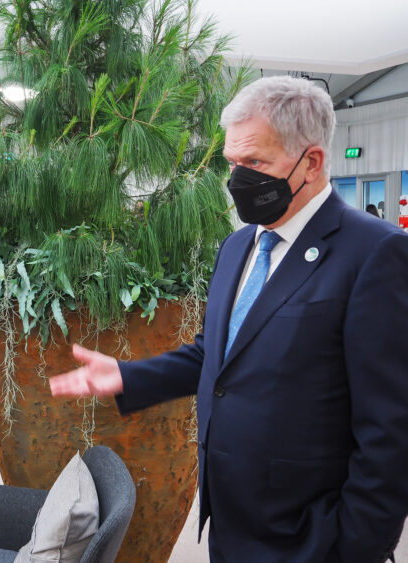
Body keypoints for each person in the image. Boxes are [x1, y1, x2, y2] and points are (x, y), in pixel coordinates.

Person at [50, 76, 408, 562]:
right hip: (231, 524)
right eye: (233, 163)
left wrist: (353, 545)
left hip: (311, 536)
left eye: (255, 163)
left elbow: (390, 429)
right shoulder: (239, 245)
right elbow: (217, 356)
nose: (239, 178)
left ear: (313, 162)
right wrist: (125, 376)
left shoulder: (373, 252)